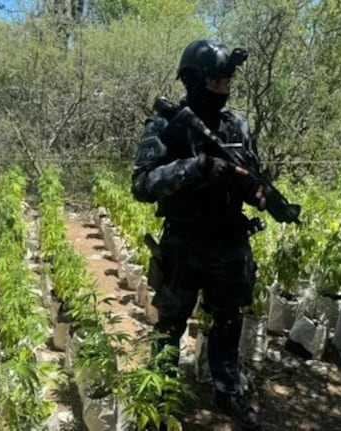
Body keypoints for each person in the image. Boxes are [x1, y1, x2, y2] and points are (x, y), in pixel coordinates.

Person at [131, 39, 267, 430]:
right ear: (193, 81)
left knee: (227, 321)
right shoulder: (164, 125)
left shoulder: (236, 124)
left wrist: (255, 190)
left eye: (228, 81)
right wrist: (195, 168)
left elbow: (252, 170)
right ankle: (158, 399)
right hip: (183, 243)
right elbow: (141, 185)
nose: (225, 89)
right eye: (217, 81)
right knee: (170, 325)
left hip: (228, 243)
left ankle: (227, 391)